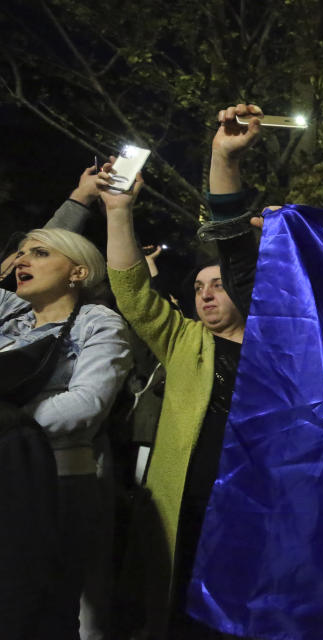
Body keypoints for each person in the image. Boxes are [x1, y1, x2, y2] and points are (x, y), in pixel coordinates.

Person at [103, 104, 259, 639]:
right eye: (197, 288)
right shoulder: (184, 341)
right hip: (186, 508)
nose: (206, 295)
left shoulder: (278, 346)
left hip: (252, 509)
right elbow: (131, 290)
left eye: (218, 284)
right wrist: (118, 212)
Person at [0, 226, 132, 639]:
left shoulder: (100, 322)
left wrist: (11, 427)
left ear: (77, 272)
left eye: (39, 253)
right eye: (20, 253)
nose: (22, 261)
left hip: (58, 482)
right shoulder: (11, 318)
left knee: (43, 608)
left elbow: (87, 405)